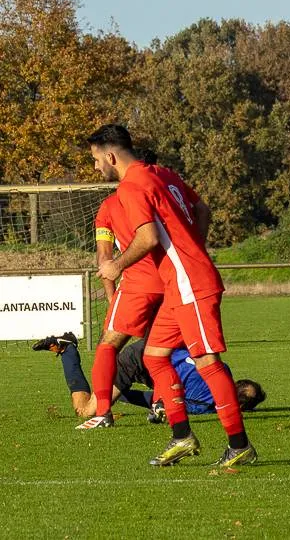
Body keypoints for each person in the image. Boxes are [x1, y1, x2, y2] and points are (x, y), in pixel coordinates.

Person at [87, 124, 256, 467]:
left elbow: (148, 237)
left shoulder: (132, 186)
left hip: (190, 282)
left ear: (110, 155)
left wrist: (116, 265)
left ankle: (239, 445)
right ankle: (182, 437)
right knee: (154, 356)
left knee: (207, 361)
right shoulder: (162, 174)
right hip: (176, 283)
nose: (95, 167)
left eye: (94, 160)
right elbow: (202, 210)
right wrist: (193, 246)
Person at [78, 148, 165, 430]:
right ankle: (160, 403)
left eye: (95, 158)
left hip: (138, 285)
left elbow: (104, 257)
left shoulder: (111, 205)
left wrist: (111, 292)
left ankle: (102, 412)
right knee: (160, 348)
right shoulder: (162, 193)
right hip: (171, 281)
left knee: (108, 344)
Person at [32, 333, 266, 419]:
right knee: (87, 411)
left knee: (101, 395)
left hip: (150, 347)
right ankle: (68, 349)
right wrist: (119, 395)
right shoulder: (208, 404)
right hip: (136, 363)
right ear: (242, 407)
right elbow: (154, 399)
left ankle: (69, 349)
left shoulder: (220, 370)